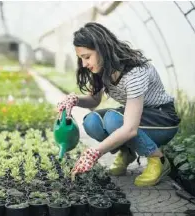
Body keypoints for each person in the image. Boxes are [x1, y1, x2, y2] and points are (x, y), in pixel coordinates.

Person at [57, 22, 181, 187]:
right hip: (139, 117)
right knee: (91, 121)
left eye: (87, 57)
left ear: (102, 49)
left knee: (113, 120)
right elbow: (94, 100)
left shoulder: (135, 73)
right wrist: (75, 100)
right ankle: (127, 151)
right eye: (81, 58)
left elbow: (130, 128)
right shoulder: (103, 69)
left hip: (162, 119)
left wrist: (95, 152)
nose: (84, 64)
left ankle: (158, 159)